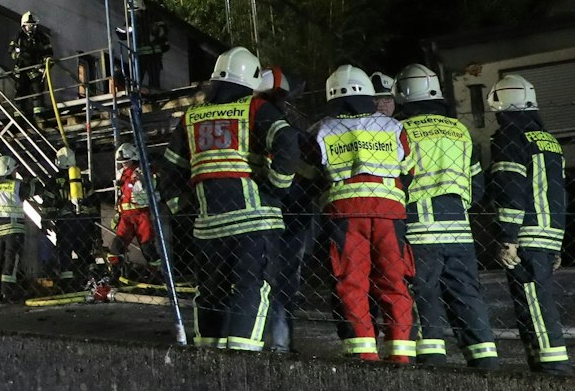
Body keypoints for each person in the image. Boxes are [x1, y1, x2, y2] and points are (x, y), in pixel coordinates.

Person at [161, 46, 299, 352]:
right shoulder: (254, 109)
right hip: (254, 222)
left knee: (210, 292)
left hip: (209, 228)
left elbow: (169, 174)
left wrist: (187, 210)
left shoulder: (190, 117)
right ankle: (243, 359)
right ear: (250, 80)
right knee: (251, 288)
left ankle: (208, 356)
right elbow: (286, 141)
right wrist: (277, 186)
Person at [394, 63, 498, 371]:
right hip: (459, 228)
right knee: (467, 293)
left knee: (424, 293)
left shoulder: (403, 130)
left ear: (403, 95)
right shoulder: (459, 130)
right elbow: (476, 183)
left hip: (419, 227)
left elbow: (400, 180)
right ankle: (484, 359)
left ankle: (433, 363)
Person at [314, 65, 416, 363]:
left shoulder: (323, 128)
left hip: (344, 214)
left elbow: (310, 171)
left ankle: (364, 353)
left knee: (351, 281)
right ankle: (400, 352)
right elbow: (409, 169)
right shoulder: (393, 127)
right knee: (394, 281)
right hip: (389, 213)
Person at [487, 73, 571, 375]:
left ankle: (554, 372)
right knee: (537, 302)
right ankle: (545, 365)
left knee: (534, 305)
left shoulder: (511, 137)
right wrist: (558, 243)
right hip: (549, 233)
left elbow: (510, 188)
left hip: (525, 235)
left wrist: (508, 237)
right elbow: (558, 192)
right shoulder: (548, 140)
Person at [255, 65, 317, 356]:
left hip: (258, 217)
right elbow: (314, 173)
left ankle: (256, 340)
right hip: (291, 218)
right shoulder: (288, 132)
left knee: (256, 282)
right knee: (283, 284)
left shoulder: (244, 129)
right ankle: (280, 344)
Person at [99, 140, 154, 298]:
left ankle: (157, 278)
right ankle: (114, 277)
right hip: (126, 218)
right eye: (121, 162)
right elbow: (122, 197)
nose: (124, 165)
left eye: (126, 161)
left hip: (141, 215)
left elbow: (148, 190)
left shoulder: (142, 171)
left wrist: (142, 180)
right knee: (116, 247)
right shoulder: (123, 175)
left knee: (148, 249)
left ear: (134, 158)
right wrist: (117, 214)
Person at [0, 154, 26, 304]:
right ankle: (6, 293)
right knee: (11, 260)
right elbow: (33, 190)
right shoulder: (16, 185)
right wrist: (31, 181)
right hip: (14, 229)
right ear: (9, 171)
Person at [9, 11, 54, 120]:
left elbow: (49, 53)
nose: (31, 28)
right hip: (21, 68)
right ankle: (19, 116)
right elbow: (11, 51)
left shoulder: (42, 38)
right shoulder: (18, 37)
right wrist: (20, 55)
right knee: (20, 90)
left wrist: (45, 63)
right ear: (23, 26)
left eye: (33, 26)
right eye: (28, 26)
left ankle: (39, 114)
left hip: (35, 68)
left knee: (37, 89)